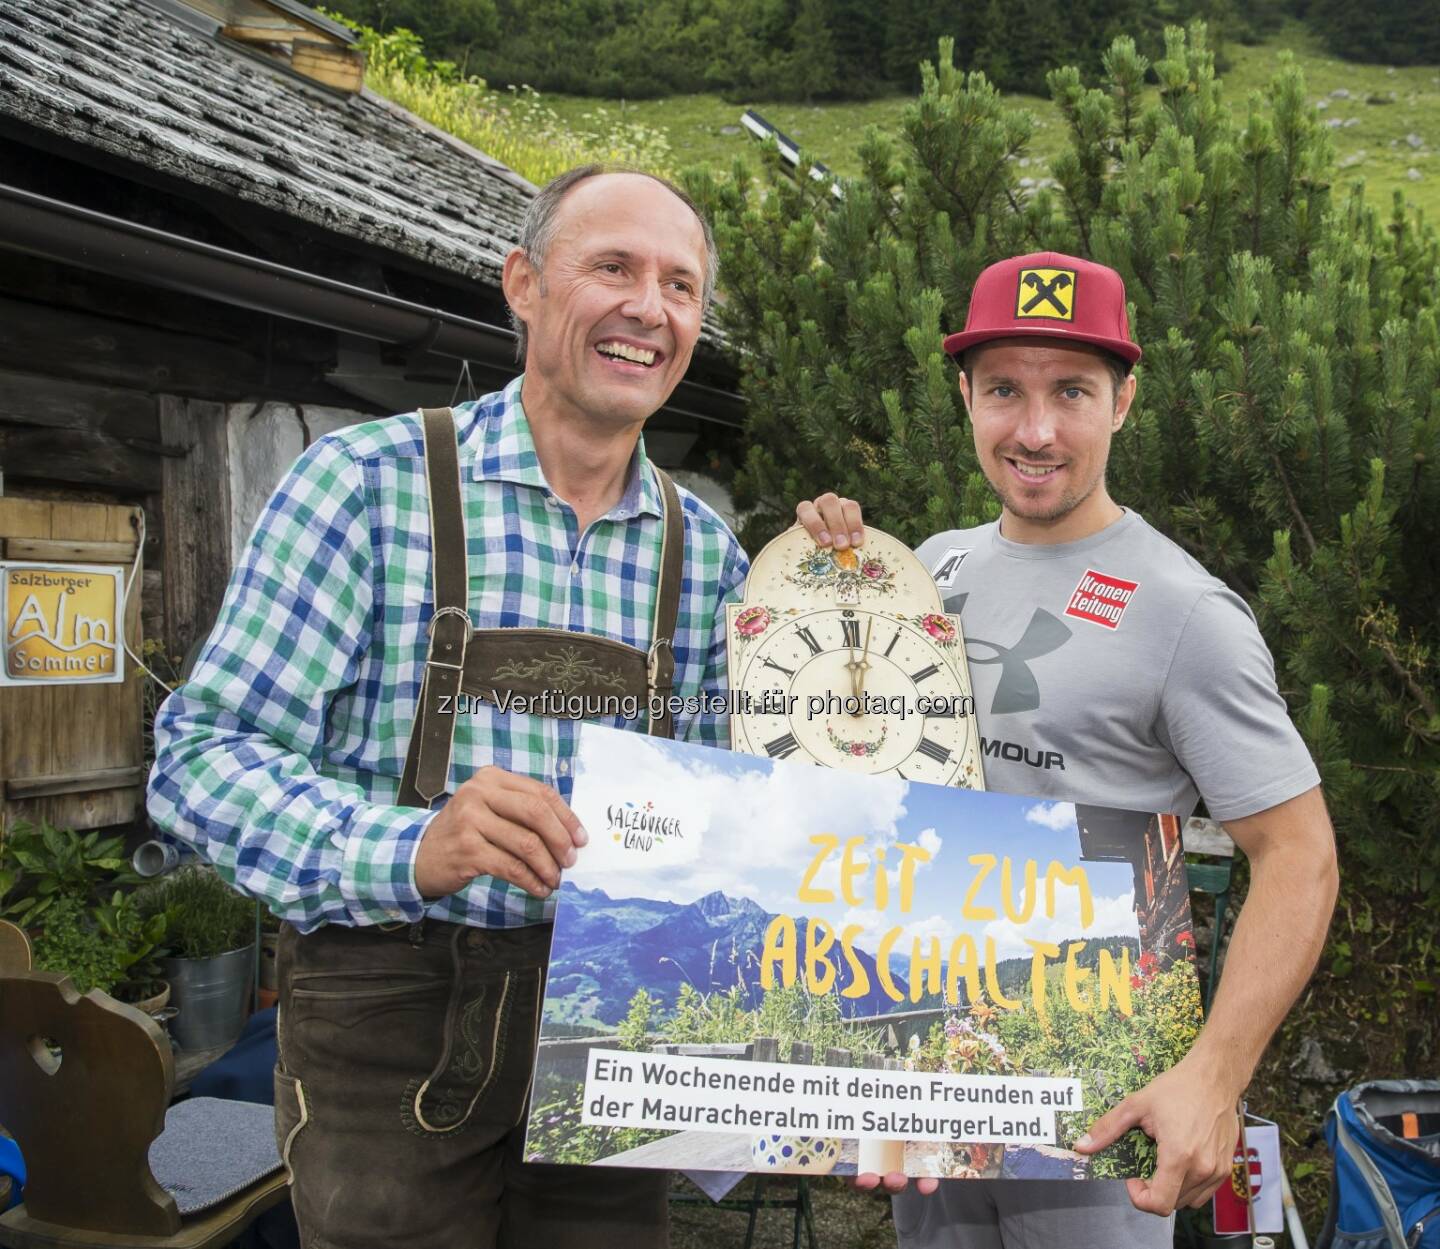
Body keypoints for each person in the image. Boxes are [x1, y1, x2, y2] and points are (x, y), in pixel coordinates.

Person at [147, 166, 747, 1249]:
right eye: (612, 267)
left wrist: (841, 600)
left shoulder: (709, 558)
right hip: (394, 1021)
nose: (649, 309)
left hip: (615, 1027)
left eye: (680, 285)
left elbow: (739, 826)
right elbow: (203, 756)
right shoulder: (364, 484)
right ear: (522, 283)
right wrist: (412, 843)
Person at [798, 251, 1338, 1248]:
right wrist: (824, 579)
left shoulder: (1185, 612)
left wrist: (1214, 1074)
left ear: (1124, 401)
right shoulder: (935, 565)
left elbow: (1299, 853)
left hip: (1095, 1102)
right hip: (932, 1080)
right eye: (1004, 388)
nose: (1035, 429)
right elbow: (862, 782)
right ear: (965, 395)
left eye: (1072, 392)